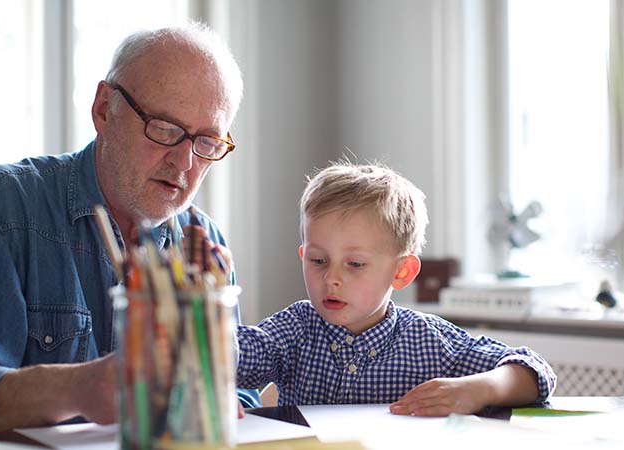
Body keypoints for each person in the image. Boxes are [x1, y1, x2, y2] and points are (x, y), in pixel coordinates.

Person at [0, 22, 260, 437]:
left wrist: (224, 402)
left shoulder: (202, 247)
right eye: (165, 129)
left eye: (207, 142)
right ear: (104, 108)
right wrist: (76, 388)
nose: (185, 162)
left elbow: (236, 397)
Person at [236, 161, 556, 415]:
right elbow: (238, 355)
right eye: (319, 260)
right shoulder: (294, 329)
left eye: (355, 264)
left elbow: (535, 373)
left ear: (402, 271)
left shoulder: (429, 341)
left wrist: (479, 389)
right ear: (303, 256)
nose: (331, 278)